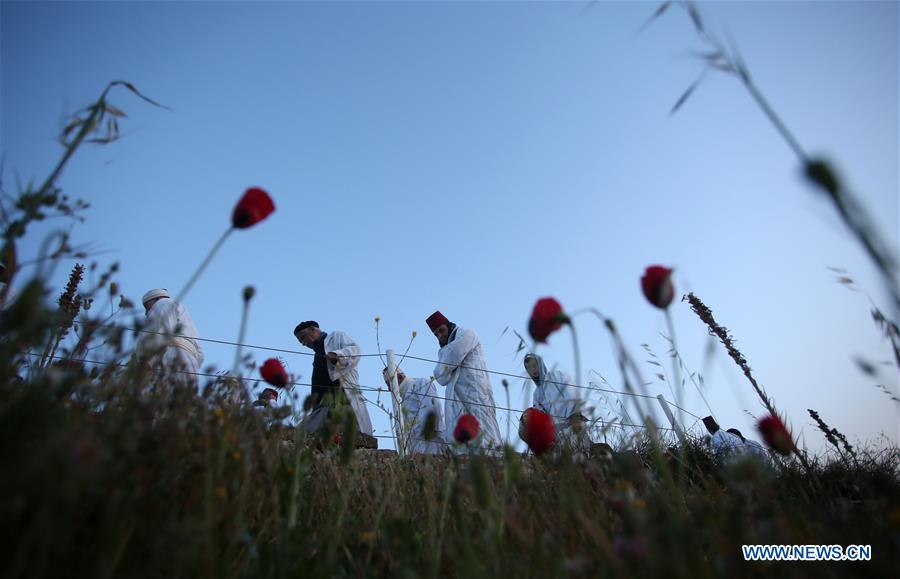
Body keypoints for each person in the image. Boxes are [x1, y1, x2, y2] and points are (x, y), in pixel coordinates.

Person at [426, 310, 501, 452]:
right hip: (457, 400)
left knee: (485, 430)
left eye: (441, 331)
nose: (440, 336)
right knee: (463, 438)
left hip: (477, 392)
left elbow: (454, 355)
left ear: (448, 325)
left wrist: (444, 364)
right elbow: (441, 378)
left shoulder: (467, 334)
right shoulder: (443, 352)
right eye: (436, 334)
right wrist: (445, 363)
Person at [293, 321, 374, 441]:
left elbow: (355, 350)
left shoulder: (336, 337)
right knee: (301, 436)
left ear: (312, 329)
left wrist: (337, 356)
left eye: (303, 338)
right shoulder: (317, 355)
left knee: (349, 439)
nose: (303, 344)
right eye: (300, 342)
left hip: (342, 401)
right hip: (322, 407)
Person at [521, 353, 590, 451]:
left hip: (572, 423)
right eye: (528, 368)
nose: (533, 370)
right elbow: (541, 414)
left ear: (540, 364)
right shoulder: (536, 394)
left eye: (534, 366)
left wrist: (576, 415)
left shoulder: (556, 376)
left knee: (580, 451)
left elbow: (571, 392)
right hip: (557, 433)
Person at [137, 288, 204, 386]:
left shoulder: (162, 304)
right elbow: (200, 354)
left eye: (147, 307)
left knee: (165, 395)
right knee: (186, 397)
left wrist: (149, 362)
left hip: (170, 355)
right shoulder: (183, 314)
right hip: (191, 362)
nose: (146, 313)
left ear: (156, 299)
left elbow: (162, 335)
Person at [383, 367, 445, 455]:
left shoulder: (421, 383)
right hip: (416, 450)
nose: (389, 389)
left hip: (430, 443)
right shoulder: (402, 402)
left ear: (399, 377)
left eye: (389, 384)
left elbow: (432, 410)